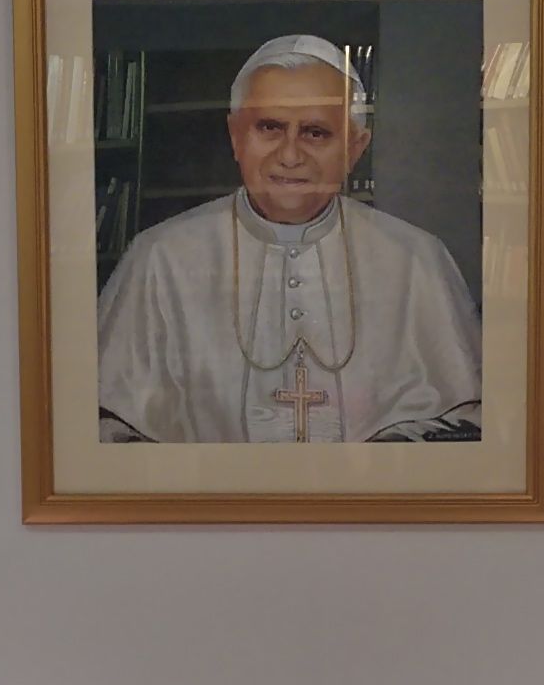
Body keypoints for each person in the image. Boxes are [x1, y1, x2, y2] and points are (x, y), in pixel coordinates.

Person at [97, 34, 481, 444]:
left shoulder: (416, 258)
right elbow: (108, 429)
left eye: (316, 133)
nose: (290, 155)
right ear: (235, 136)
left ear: (355, 148)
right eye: (270, 128)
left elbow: (465, 423)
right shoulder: (160, 258)